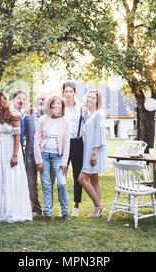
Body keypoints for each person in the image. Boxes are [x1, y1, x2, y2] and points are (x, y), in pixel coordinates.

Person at [0, 89, 32, 222]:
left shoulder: (13, 114)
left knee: (12, 178)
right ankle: (0, 211)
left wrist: (15, 155)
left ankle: (12, 209)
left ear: (2, 98)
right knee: (0, 178)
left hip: (11, 148)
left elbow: (17, 136)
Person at [34, 95, 71, 221]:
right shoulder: (43, 119)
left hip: (58, 157)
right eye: (54, 104)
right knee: (46, 185)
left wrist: (64, 162)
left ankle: (65, 212)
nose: (56, 106)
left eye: (59, 104)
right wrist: (38, 160)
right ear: (50, 106)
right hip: (44, 156)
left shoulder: (65, 122)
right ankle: (48, 214)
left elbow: (67, 143)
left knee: (61, 184)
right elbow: (36, 140)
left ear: (62, 107)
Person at [78, 90, 107, 218]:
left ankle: (99, 206)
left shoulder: (99, 114)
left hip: (94, 151)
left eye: (93, 98)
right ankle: (97, 211)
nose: (90, 99)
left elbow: (101, 134)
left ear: (97, 101)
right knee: (94, 181)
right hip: (89, 151)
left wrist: (94, 153)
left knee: (82, 179)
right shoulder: (91, 114)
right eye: (88, 97)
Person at [62, 81, 87, 217]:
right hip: (63, 144)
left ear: (75, 92)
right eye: (66, 91)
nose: (68, 93)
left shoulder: (82, 108)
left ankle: (76, 205)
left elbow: (88, 126)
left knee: (78, 175)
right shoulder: (60, 108)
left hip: (77, 143)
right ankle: (63, 205)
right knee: (62, 175)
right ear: (63, 93)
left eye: (71, 91)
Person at [23, 92, 48, 216]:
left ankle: (49, 208)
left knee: (48, 183)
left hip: (46, 154)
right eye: (39, 99)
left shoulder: (51, 116)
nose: (41, 101)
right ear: (35, 101)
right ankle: (36, 209)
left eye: (44, 99)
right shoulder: (28, 115)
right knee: (31, 182)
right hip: (30, 153)